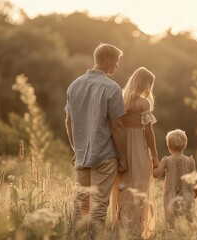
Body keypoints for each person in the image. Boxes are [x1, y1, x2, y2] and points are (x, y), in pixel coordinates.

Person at [65, 43, 127, 239]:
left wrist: (77, 148)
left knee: (81, 202)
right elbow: (117, 126)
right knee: (99, 204)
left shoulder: (74, 85)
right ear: (108, 61)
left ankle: (75, 236)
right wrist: (123, 157)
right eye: (117, 61)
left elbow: (69, 121)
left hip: (82, 154)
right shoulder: (112, 88)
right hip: (105, 155)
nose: (117, 66)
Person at [111, 67, 159, 238]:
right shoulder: (143, 103)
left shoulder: (120, 99)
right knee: (139, 185)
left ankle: (120, 228)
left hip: (121, 146)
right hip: (139, 147)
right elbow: (148, 133)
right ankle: (137, 230)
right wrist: (155, 155)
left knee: (122, 187)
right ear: (146, 84)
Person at [153, 129, 197, 227]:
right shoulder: (190, 161)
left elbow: (156, 175)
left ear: (169, 147)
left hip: (170, 197)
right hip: (187, 195)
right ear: (185, 145)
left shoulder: (166, 161)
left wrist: (154, 166)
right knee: (188, 223)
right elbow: (195, 180)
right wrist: (195, 191)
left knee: (171, 225)